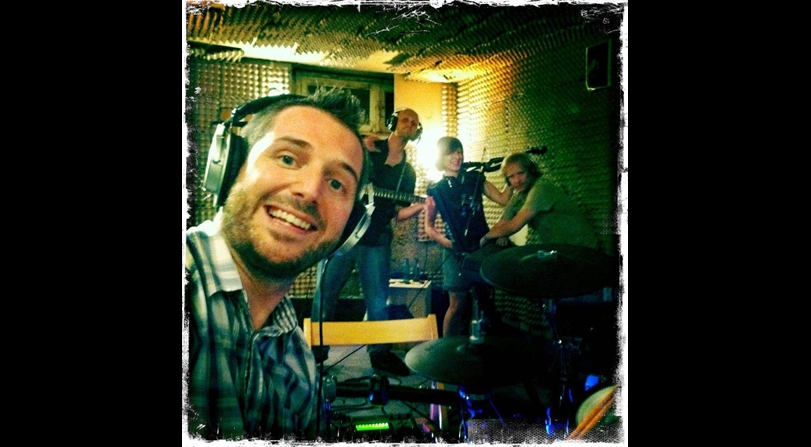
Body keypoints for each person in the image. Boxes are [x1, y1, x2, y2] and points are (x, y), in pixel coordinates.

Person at [184, 88, 370, 440]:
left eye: (336, 183)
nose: (310, 190)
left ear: (351, 228)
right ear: (230, 166)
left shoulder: (299, 363)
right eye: (287, 158)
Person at [310, 107, 424, 376]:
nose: (409, 124)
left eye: (414, 123)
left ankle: (379, 355)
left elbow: (398, 213)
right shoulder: (368, 148)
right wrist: (359, 144)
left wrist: (422, 206)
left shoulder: (407, 173)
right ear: (393, 122)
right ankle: (314, 353)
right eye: (405, 119)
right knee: (325, 294)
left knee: (378, 300)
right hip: (343, 233)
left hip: (377, 238)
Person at [423, 136, 512, 337]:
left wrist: (511, 176)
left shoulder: (475, 179)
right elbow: (429, 227)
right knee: (457, 304)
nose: (457, 157)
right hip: (454, 252)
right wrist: (446, 242)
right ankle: (447, 347)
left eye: (459, 152)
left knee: (485, 299)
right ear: (441, 157)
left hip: (481, 248)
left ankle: (483, 343)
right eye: (451, 153)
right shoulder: (436, 190)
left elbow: (503, 199)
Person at [479, 151, 598, 250]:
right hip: (560, 250)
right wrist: (502, 233)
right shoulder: (519, 196)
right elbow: (502, 223)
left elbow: (514, 225)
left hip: (582, 249)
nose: (517, 180)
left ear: (531, 171)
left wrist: (486, 237)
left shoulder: (541, 189)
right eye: (511, 176)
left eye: (521, 173)